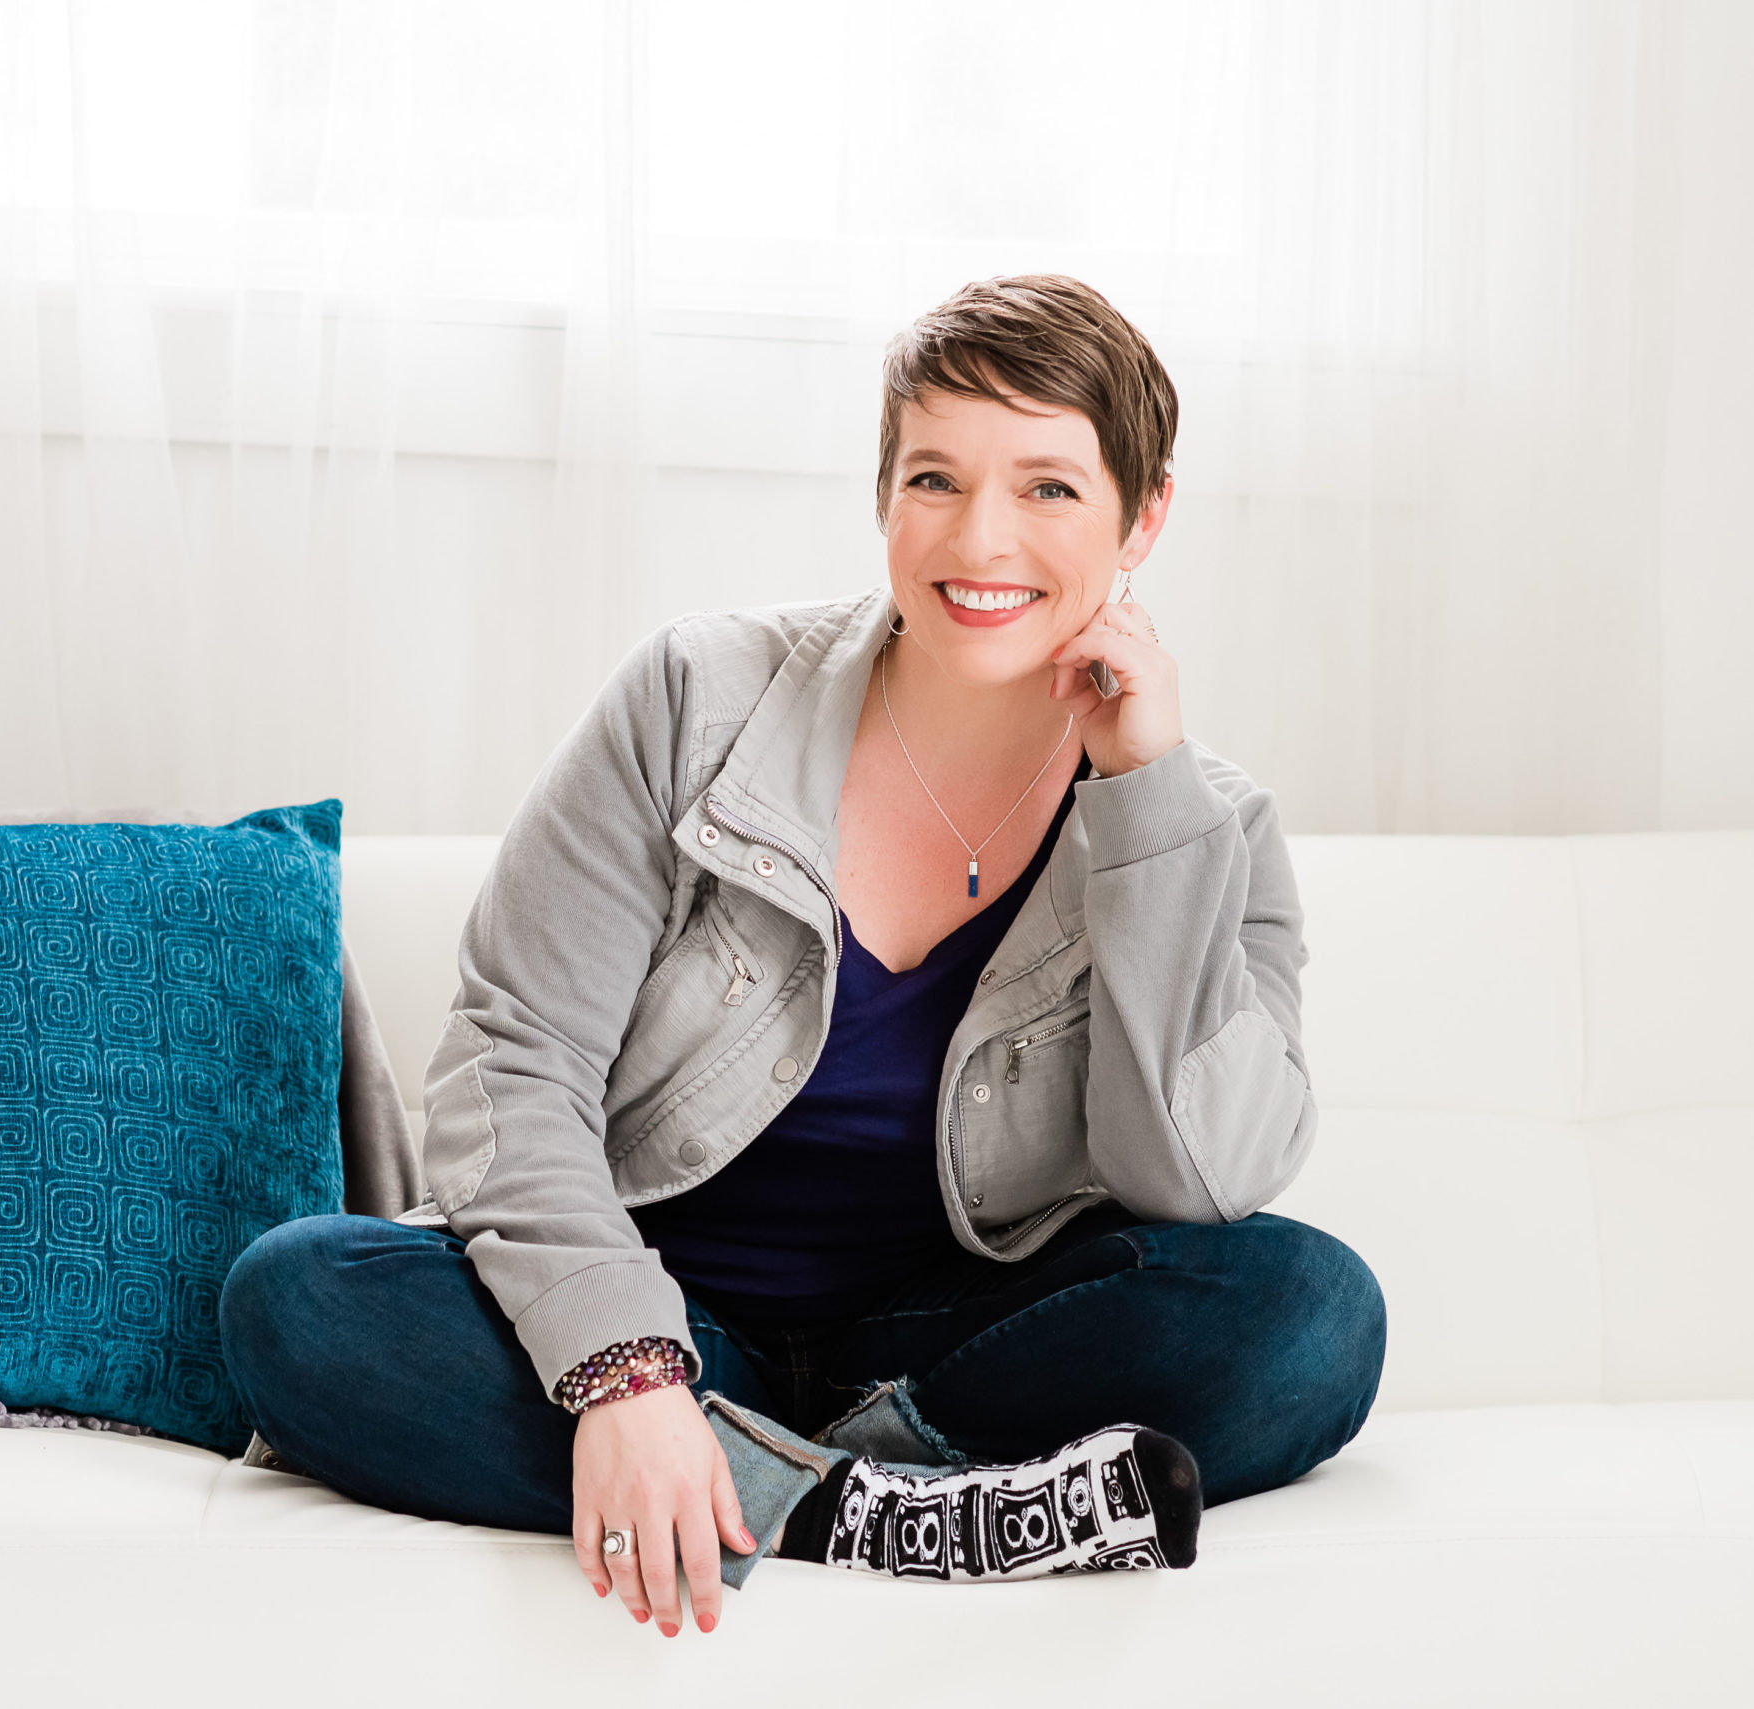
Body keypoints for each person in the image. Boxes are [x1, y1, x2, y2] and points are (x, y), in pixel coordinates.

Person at [222, 274, 1385, 1636]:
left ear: (1146, 514)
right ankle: (878, 1510)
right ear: (884, 494)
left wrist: (1144, 804)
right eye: (935, 478)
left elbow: (1190, 1181)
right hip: (662, 1304)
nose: (981, 535)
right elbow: (510, 1067)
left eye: (1051, 488)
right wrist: (625, 1372)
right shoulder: (693, 700)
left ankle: (784, 1484)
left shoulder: (1207, 822)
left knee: (1312, 1313)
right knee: (294, 1300)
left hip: (959, 1350)